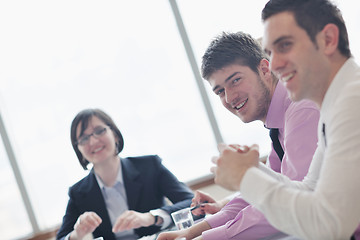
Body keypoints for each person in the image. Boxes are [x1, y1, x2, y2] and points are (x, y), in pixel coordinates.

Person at [211, 0, 360, 239]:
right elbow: (309, 189)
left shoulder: (352, 102)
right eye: (271, 52)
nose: (276, 65)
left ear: (328, 40)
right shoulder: (336, 104)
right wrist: (252, 169)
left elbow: (329, 224)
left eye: (285, 46)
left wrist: (245, 178)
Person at [157, 31, 319, 239]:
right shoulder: (280, 125)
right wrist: (189, 233)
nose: (229, 97)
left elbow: (284, 203)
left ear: (264, 69)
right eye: (220, 91)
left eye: (235, 80)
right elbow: (256, 194)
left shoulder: (302, 110)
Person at [56, 108, 194, 240]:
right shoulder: (78, 193)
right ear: (78, 149)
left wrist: (151, 217)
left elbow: (192, 203)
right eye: (84, 139)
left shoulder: (150, 166)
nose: (93, 141)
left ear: (115, 134)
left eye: (99, 131)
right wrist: (77, 234)